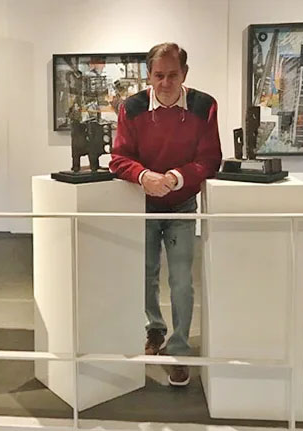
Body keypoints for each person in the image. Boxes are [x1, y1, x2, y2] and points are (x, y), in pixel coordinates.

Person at [109, 43, 222, 387]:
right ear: (149, 75)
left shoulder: (204, 106)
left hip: (182, 204)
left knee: (182, 280)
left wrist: (175, 177)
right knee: (144, 273)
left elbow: (210, 159)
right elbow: (119, 158)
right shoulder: (131, 108)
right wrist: (145, 176)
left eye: (173, 75)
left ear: (184, 73)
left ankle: (180, 349)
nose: (165, 83)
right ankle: (154, 329)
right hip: (142, 204)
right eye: (159, 75)